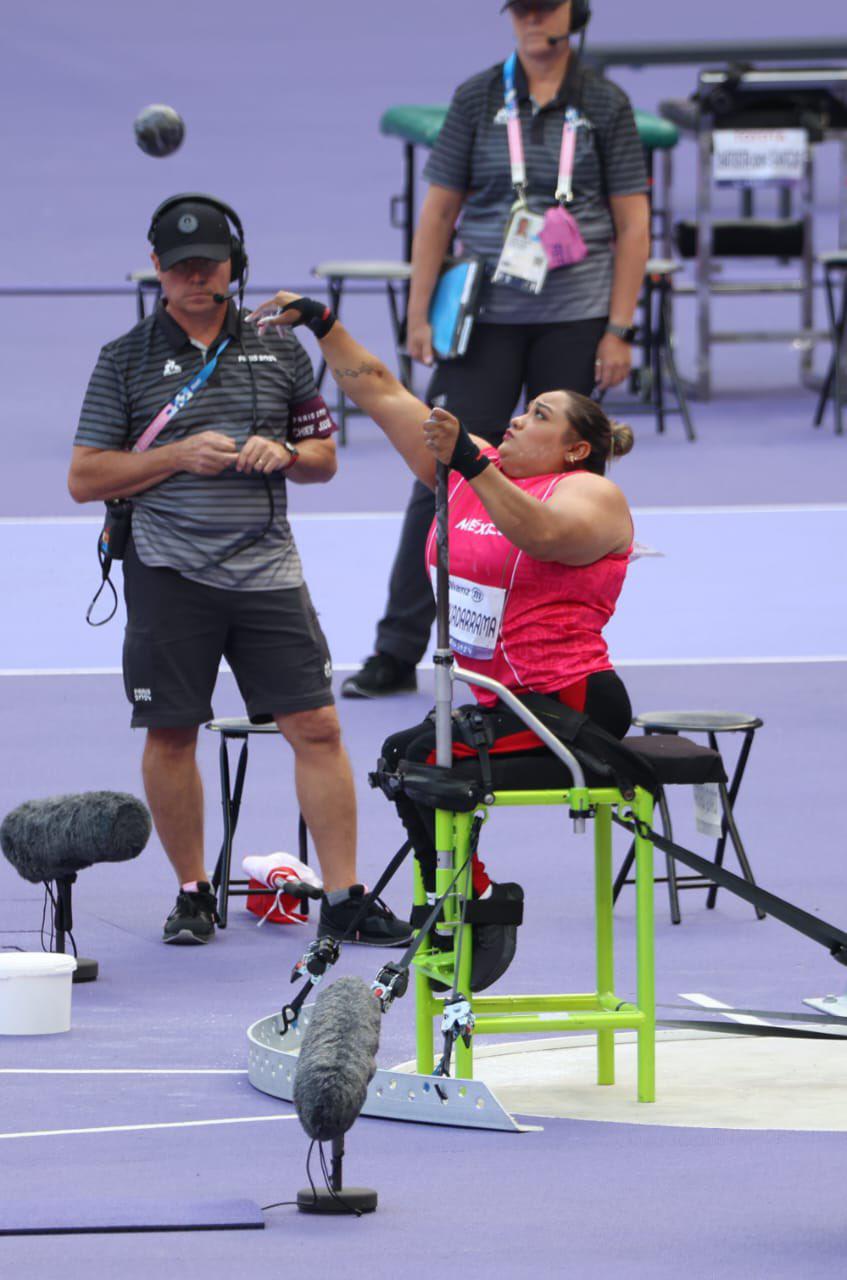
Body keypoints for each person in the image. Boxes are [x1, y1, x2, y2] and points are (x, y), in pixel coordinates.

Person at [248, 290, 636, 987]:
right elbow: (379, 388)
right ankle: (465, 896)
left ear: (574, 448)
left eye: (539, 417)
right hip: (498, 702)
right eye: (521, 410)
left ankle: (473, 909)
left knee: (421, 758)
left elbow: (539, 535)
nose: (518, 418)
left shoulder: (587, 495)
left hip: (568, 703)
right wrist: (322, 324)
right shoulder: (466, 471)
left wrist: (473, 463)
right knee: (405, 755)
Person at [67, 194, 410, 949]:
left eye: (211, 265)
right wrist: (177, 455)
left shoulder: (280, 350)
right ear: (157, 267)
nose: (197, 278)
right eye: (182, 266)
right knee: (171, 733)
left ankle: (346, 896)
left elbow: (323, 458)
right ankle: (193, 893)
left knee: (317, 726)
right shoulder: (122, 359)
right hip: (168, 570)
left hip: (267, 572)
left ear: (234, 266)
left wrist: (283, 454)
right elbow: (86, 477)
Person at [342, 0, 649, 699]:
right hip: (484, 318)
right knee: (444, 470)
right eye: (522, 9)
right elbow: (440, 209)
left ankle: (548, 649)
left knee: (562, 485)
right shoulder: (478, 97)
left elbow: (632, 222)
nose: (532, 21)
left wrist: (619, 327)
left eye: (546, 8)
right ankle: (397, 647)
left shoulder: (603, 102)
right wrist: (421, 310)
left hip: (574, 313)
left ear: (577, 15)